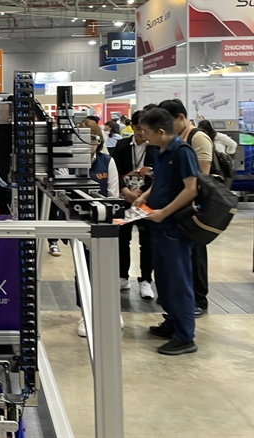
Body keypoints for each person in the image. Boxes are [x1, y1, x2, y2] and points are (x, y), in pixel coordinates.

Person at [133, 108, 199, 355]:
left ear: (160, 131)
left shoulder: (182, 152)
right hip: (158, 225)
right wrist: (144, 197)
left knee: (178, 281)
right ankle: (172, 322)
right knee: (164, 278)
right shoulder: (160, 151)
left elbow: (190, 189)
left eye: (147, 132)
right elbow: (160, 182)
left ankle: (185, 336)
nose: (144, 136)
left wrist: (165, 212)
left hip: (174, 227)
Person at [158, 99, 212, 318]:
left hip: (193, 210)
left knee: (195, 256)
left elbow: (201, 179)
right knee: (180, 263)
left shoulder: (196, 138)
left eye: (168, 120)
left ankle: (199, 300)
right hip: (177, 211)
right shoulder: (175, 140)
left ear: (180, 117)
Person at [76, 128, 120, 337]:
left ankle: (111, 311)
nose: (89, 144)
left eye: (93, 139)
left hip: (104, 222)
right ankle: (85, 313)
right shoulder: (69, 161)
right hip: (79, 223)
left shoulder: (107, 162)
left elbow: (113, 193)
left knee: (107, 268)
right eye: (84, 139)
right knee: (84, 269)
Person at [111, 110, 157, 299]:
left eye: (145, 129)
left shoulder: (155, 147)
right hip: (124, 199)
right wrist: (126, 192)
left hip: (146, 200)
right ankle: (122, 276)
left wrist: (141, 193)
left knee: (147, 242)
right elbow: (115, 170)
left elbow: (157, 174)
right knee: (122, 239)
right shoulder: (122, 145)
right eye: (138, 129)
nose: (142, 133)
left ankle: (145, 280)